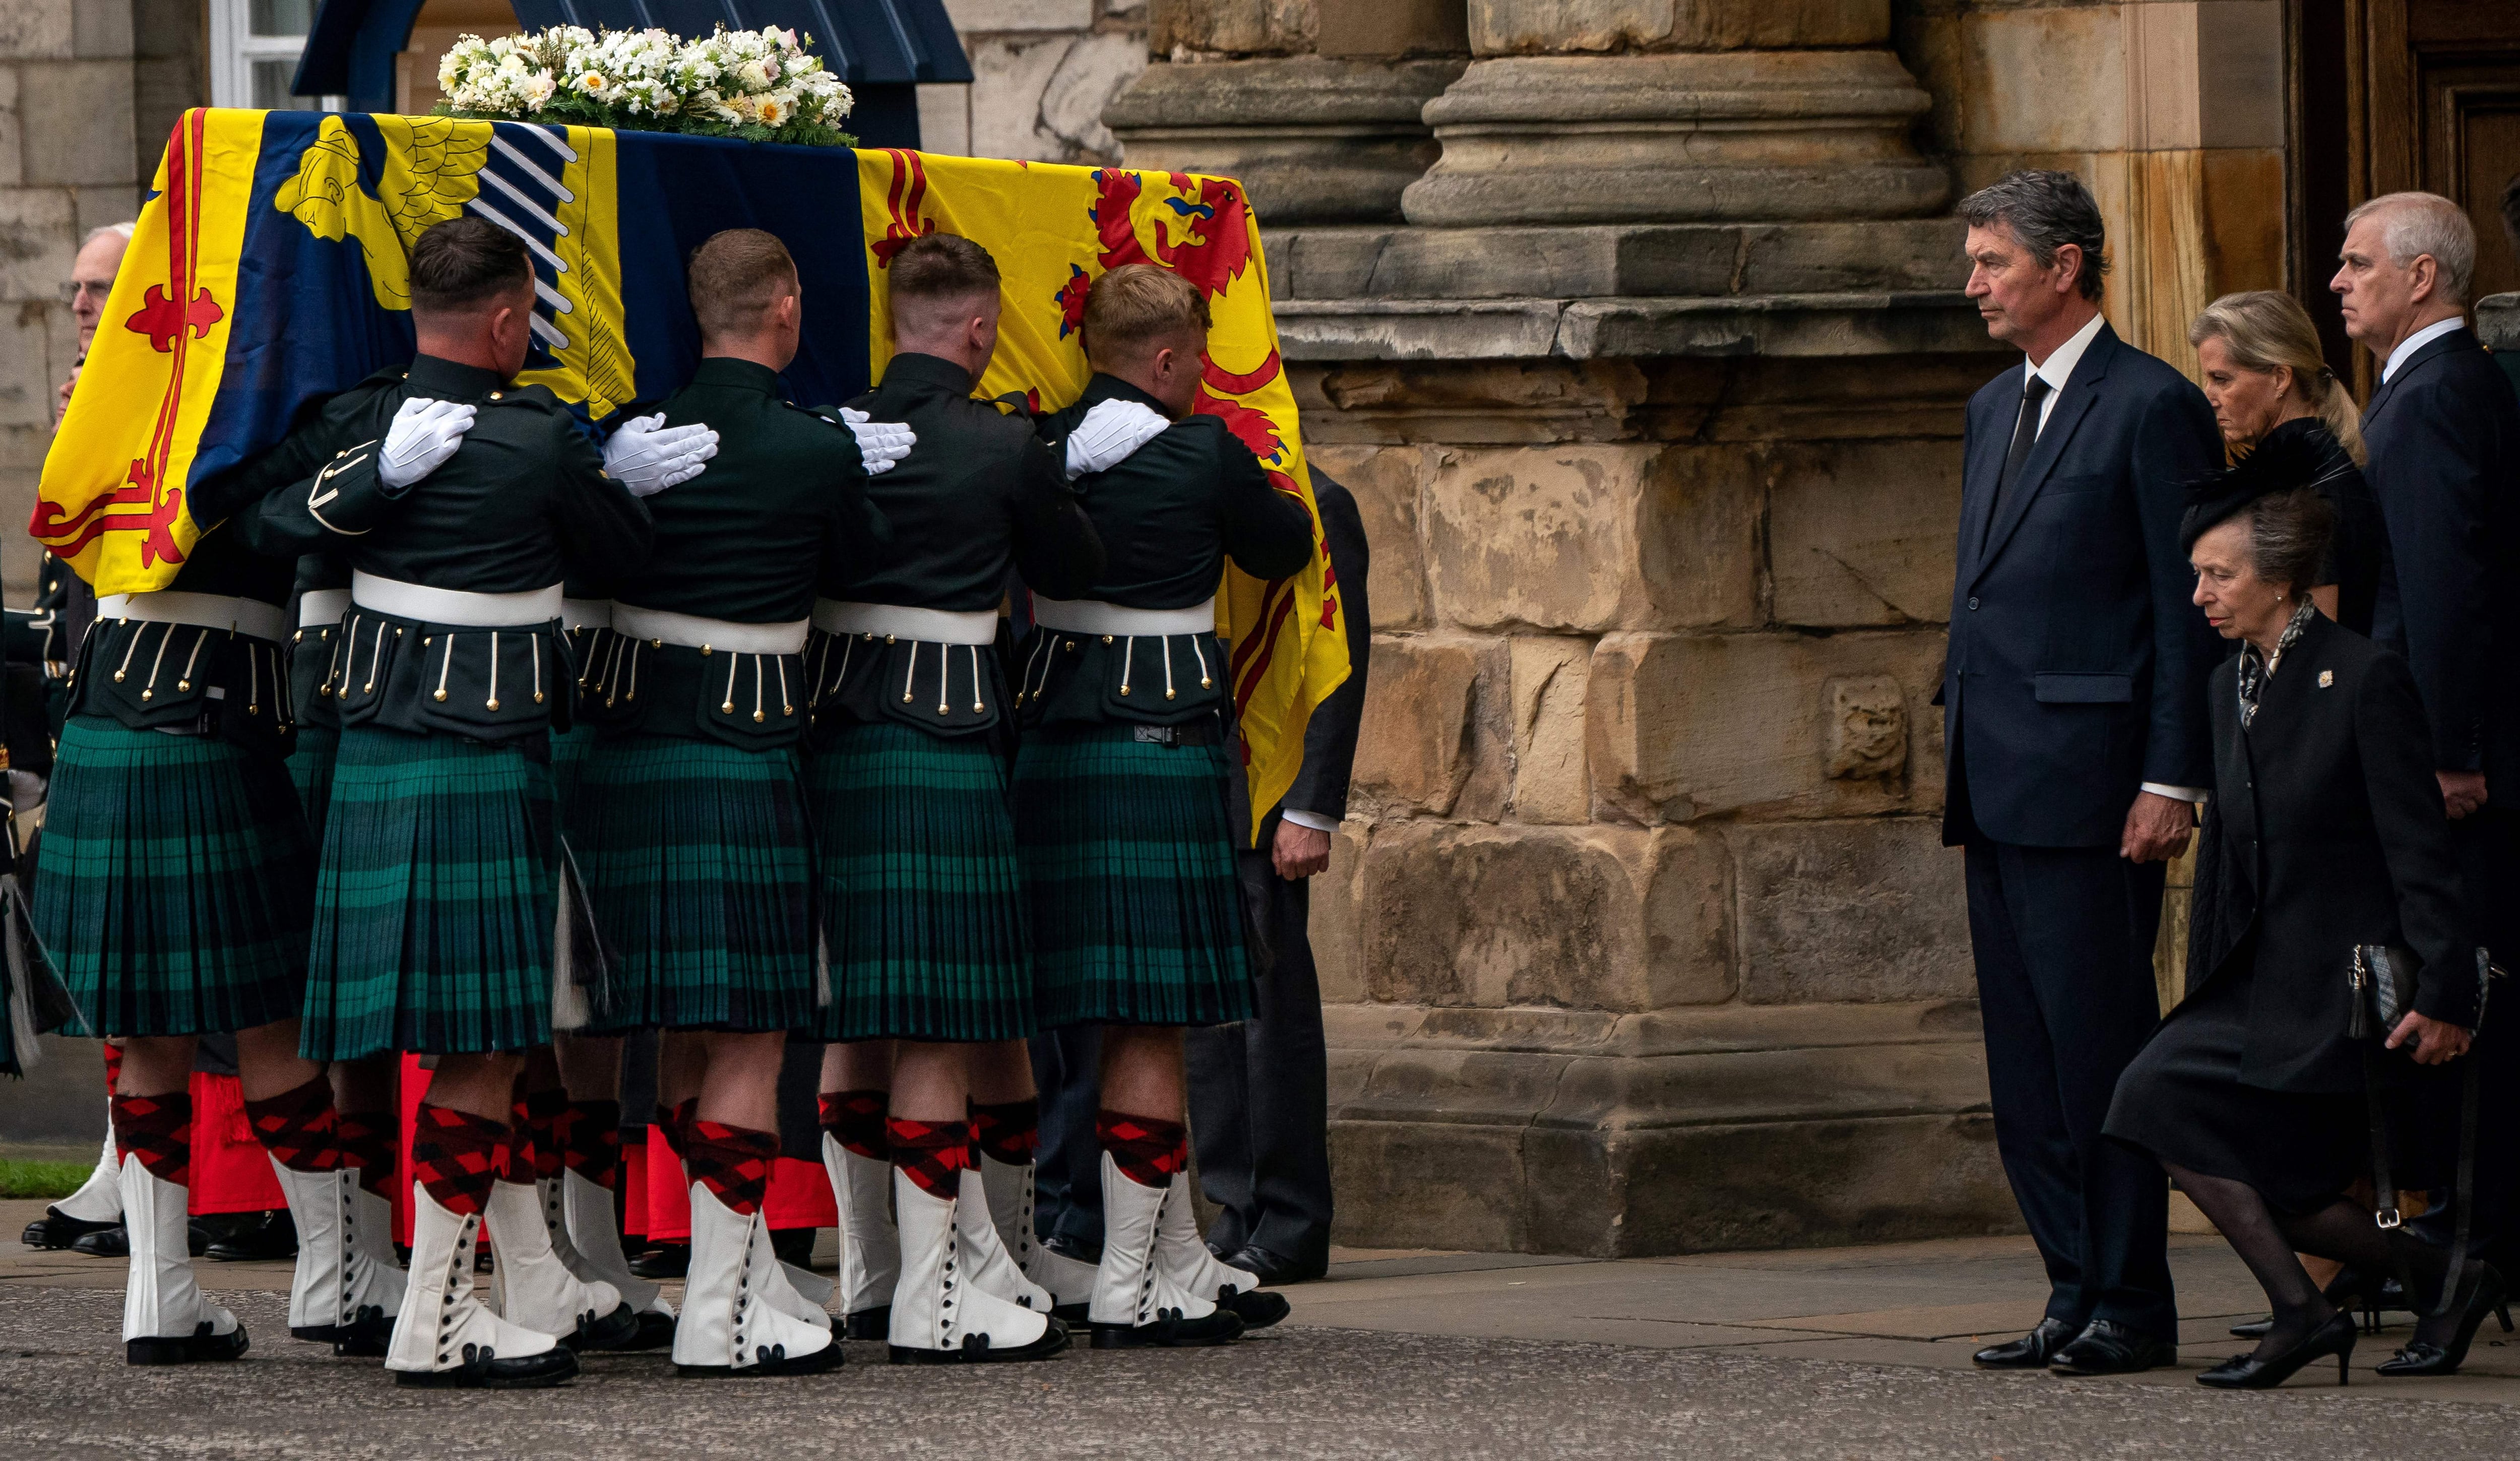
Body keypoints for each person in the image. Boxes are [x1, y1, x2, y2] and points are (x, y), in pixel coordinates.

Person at [256, 215, 711, 1387]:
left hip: (374, 762)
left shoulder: (362, 421)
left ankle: (521, 1282)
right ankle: (438, 1319)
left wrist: (370, 472)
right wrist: (616, 477)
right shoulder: (535, 440)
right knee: (489, 1049)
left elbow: (269, 524)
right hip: (485, 762)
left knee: (465, 1044)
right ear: (508, 321)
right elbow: (624, 558)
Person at [568, 227, 901, 1376]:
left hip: (627, 750)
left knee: (668, 1021)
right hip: (745, 750)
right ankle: (718, 1307)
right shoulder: (813, 450)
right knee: (752, 1030)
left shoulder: (633, 439)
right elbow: (864, 570)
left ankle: (743, 1270)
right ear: (788, 307)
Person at [2105, 439, 2496, 1385]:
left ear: (2281, 580)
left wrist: (2445, 991)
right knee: (2159, 1105)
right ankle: (2417, 1277)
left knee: (2233, 1148)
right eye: (2195, 573)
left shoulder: (2364, 677)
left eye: (2218, 574)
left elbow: (2419, 851)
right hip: (2259, 972)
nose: (2199, 593)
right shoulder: (2222, 683)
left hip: (2342, 978)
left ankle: (2328, 1304)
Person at [802, 230, 1113, 1362]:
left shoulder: (831, 434)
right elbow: (1072, 570)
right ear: (979, 330)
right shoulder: (1000, 443)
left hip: (831, 735)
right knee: (937, 1010)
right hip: (944, 735)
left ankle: (870, 1272)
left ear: (897, 321)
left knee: (859, 1006)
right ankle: (938, 1288)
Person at [1943, 170, 2224, 1377]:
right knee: (2025, 1064)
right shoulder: (1987, 408)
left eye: (1993, 262)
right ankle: (2068, 1286)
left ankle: (2131, 1299)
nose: (1974, 285)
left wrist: (2173, 777)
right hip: (1994, 778)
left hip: (2097, 785)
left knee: (2099, 1049)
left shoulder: (2152, 403)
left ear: (2065, 267)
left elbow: (2184, 613)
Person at [1015, 263, 1314, 1348]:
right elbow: (1283, 548)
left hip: (1049, 739)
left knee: (1072, 998)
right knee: (1151, 1010)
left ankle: (1174, 1249)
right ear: (1168, 359)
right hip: (1160, 743)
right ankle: (1132, 1280)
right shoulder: (1200, 449)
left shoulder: (1036, 446)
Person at [2334, 192, 2520, 1277]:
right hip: (2453, 746)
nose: (2338, 281)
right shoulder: (2442, 387)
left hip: (2451, 761)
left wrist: (2446, 752)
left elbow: (2444, 595)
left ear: (2420, 279)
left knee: (2458, 996)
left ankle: (2466, 1246)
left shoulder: (2434, 397)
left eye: (2358, 264)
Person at [1185, 466, 1369, 1287]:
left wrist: (1313, 805)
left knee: (1271, 1015)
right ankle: (1233, 1205)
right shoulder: (1194, 478)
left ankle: (1290, 1215)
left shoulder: (1318, 499)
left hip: (1270, 785)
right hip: (1198, 780)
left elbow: (1337, 658)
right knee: (1208, 1025)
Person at [2188, 292, 2384, 633]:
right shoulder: (2300, 472)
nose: (2209, 397)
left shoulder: (2310, 486)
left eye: (2222, 379)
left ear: (2280, 378)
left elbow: (2317, 646)